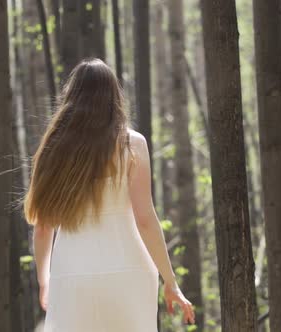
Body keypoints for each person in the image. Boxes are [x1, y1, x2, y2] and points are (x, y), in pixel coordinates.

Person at [24, 58, 195, 331]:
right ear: (114, 96)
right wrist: (170, 281)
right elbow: (145, 219)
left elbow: (43, 227)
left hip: (71, 274)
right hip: (129, 272)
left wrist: (44, 279)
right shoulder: (131, 144)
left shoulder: (54, 148)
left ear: (71, 95)